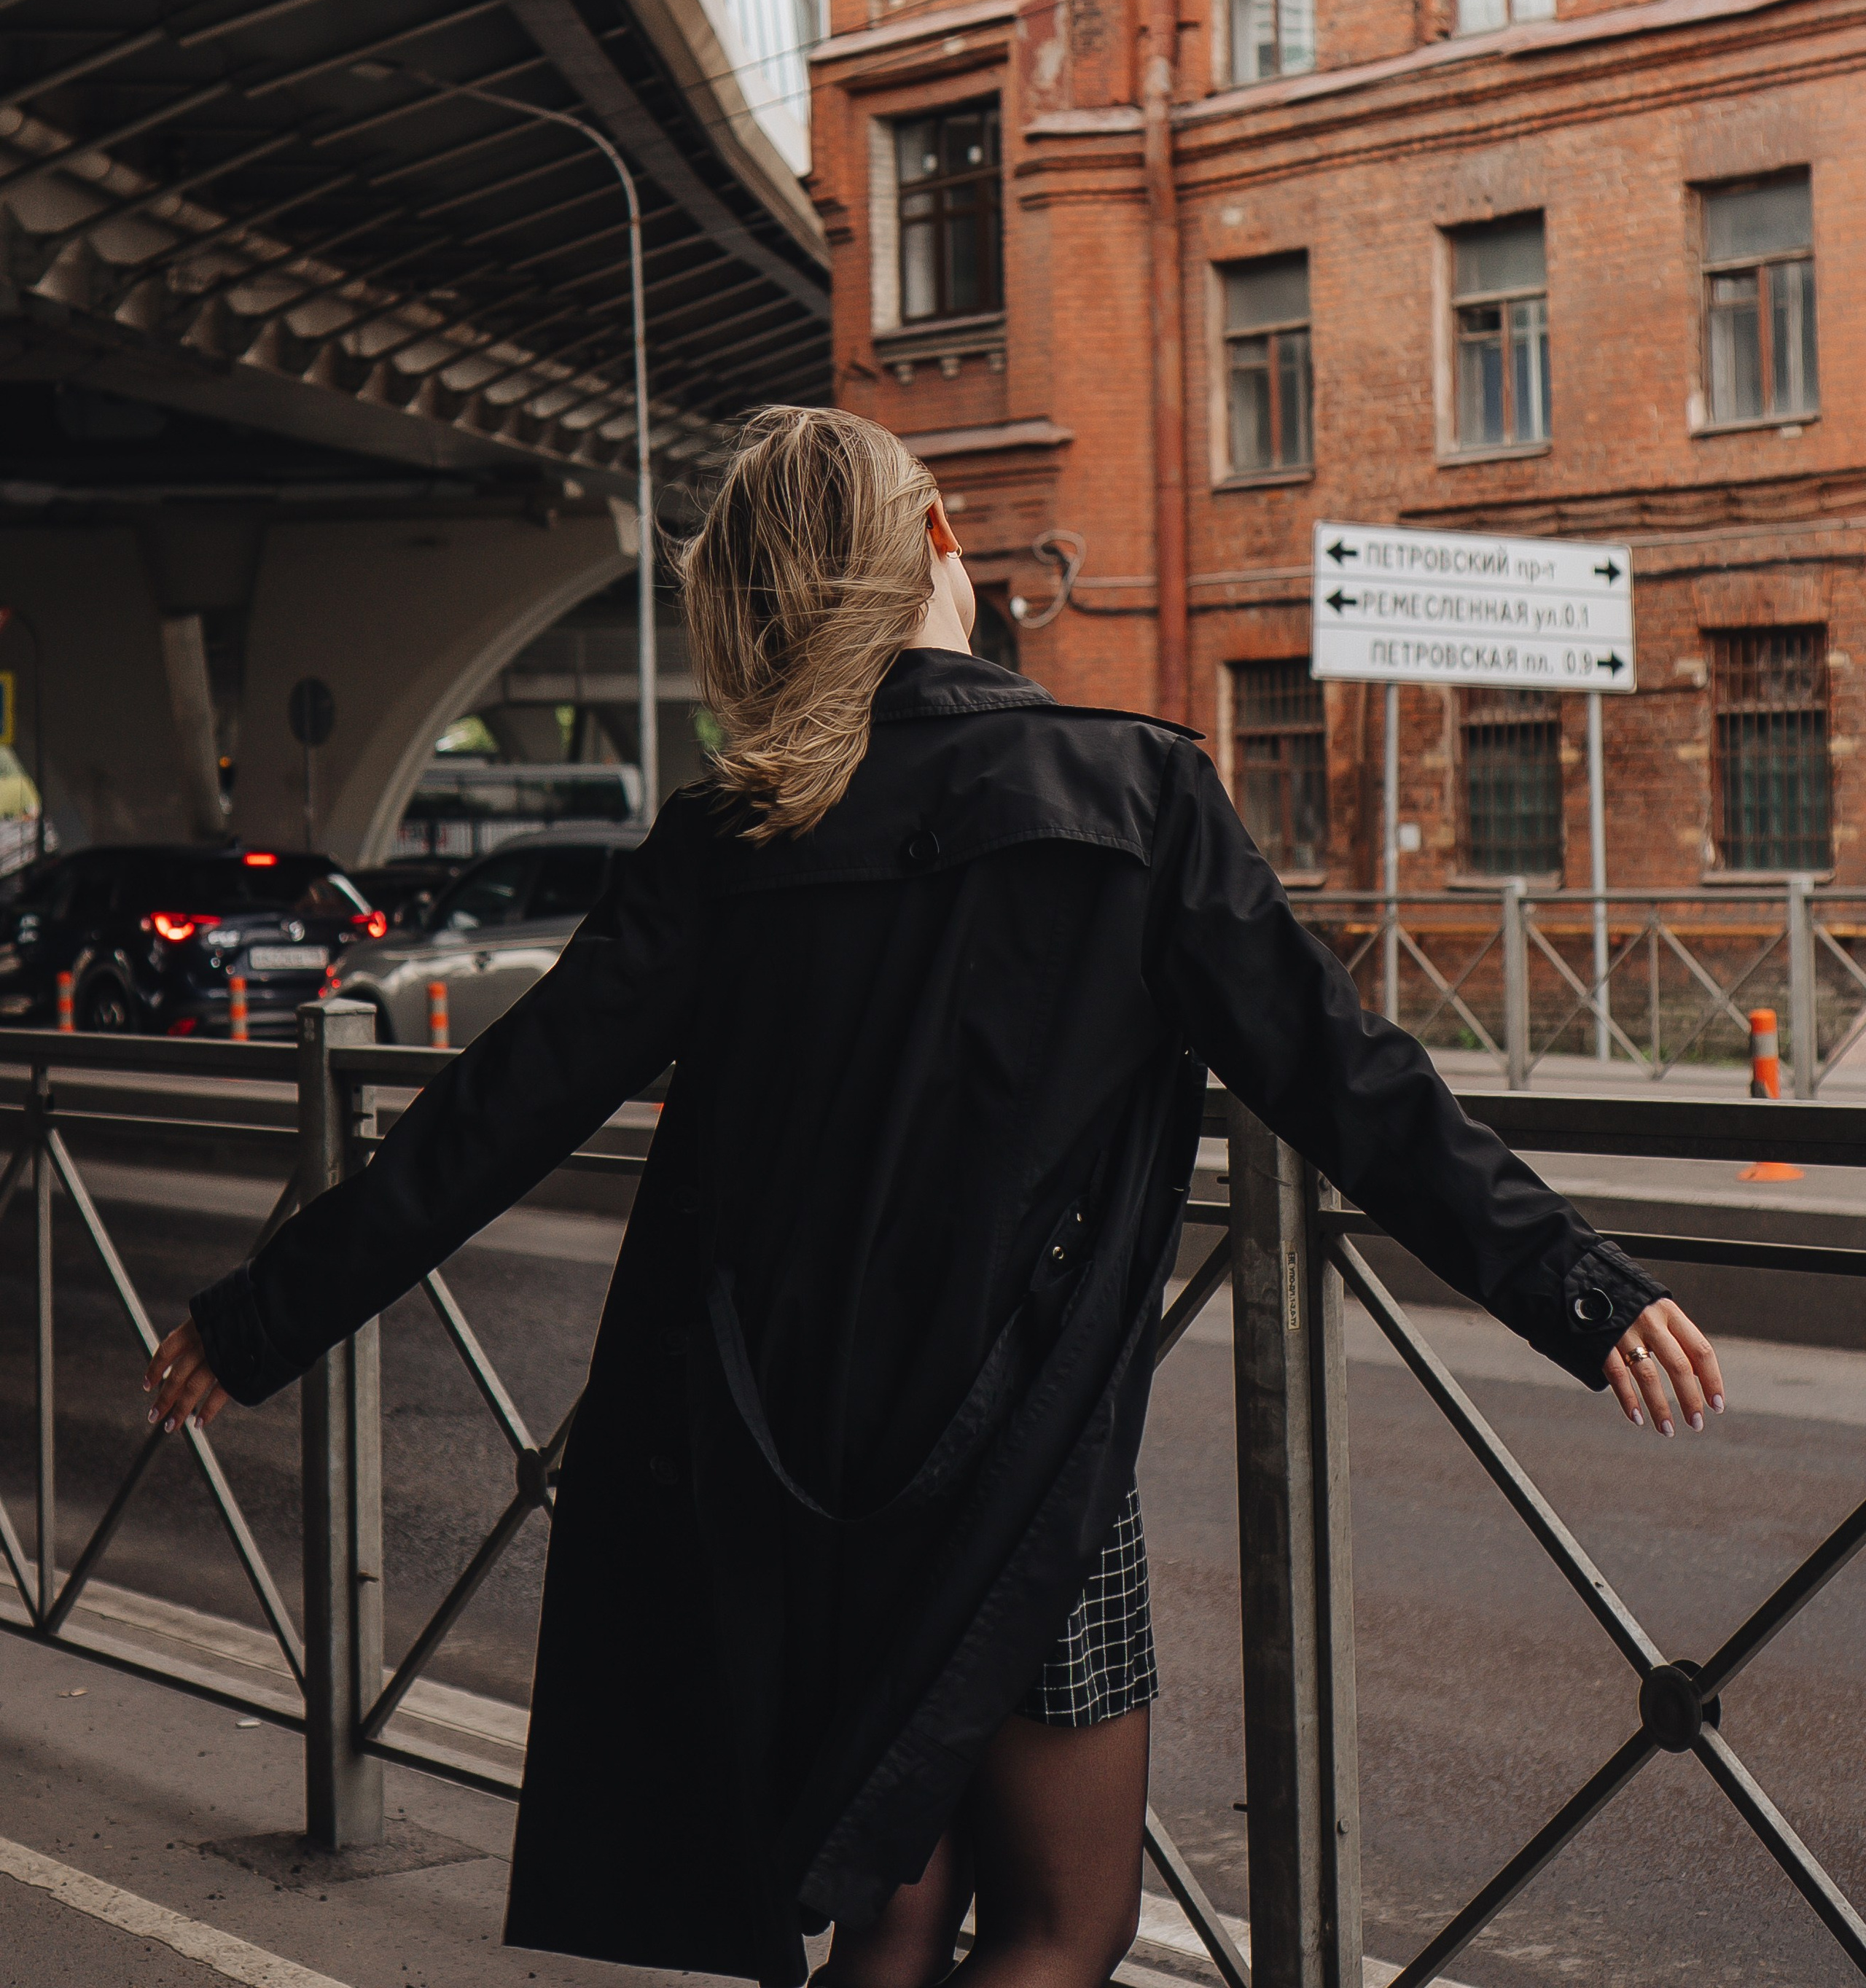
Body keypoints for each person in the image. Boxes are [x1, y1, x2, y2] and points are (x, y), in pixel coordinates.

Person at [147, 407, 1722, 1988]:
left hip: (774, 1460)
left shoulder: (723, 838)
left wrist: (258, 1317)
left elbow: (496, 1115)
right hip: (1017, 1457)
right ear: (937, 548)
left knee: (893, 1912)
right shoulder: (1131, 795)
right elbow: (1347, 1085)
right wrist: (1584, 1294)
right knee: (1061, 1923)